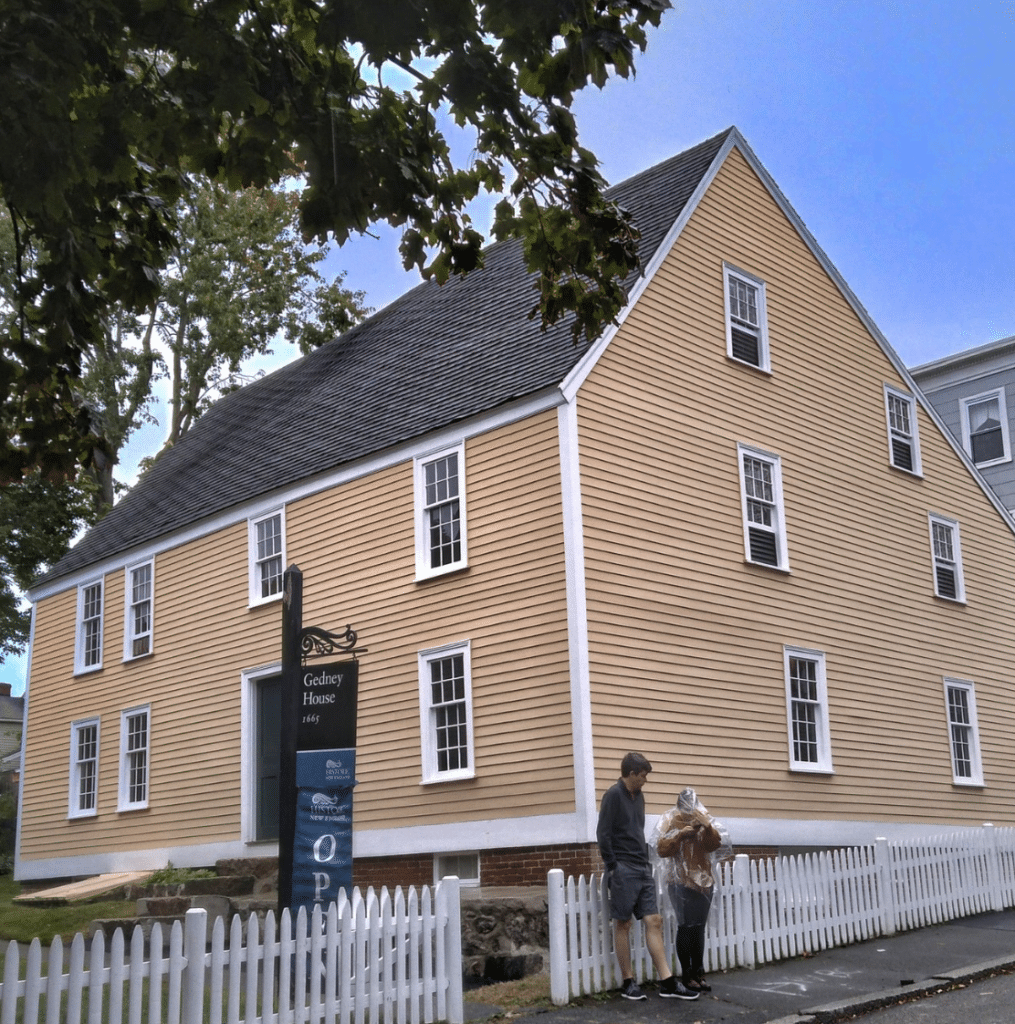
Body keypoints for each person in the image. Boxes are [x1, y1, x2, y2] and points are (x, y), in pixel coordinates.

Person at [596, 753, 699, 1001]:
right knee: (623, 923)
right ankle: (628, 982)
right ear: (631, 774)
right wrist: (614, 866)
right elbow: (603, 833)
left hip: (642, 866)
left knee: (654, 920)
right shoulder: (613, 795)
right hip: (622, 867)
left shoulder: (639, 796)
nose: (645, 781)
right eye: (643, 776)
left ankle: (667, 982)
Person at [652, 787, 732, 993]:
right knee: (686, 927)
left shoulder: (704, 818)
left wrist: (707, 827)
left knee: (698, 928)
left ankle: (699, 972)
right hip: (679, 883)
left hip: (703, 881)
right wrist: (679, 835)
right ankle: (687, 974)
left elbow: (714, 846)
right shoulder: (670, 820)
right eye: (686, 807)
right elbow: (660, 849)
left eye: (692, 806)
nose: (689, 811)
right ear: (679, 806)